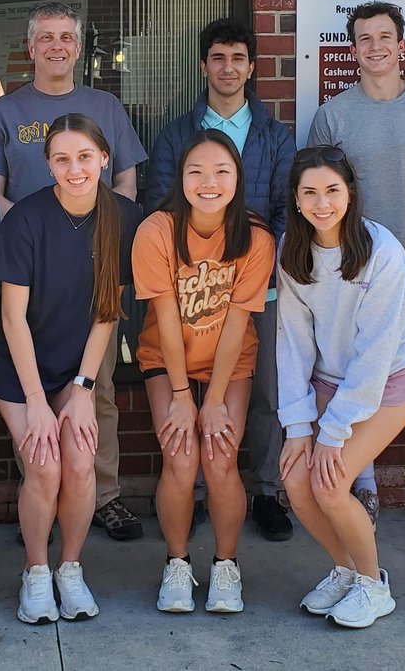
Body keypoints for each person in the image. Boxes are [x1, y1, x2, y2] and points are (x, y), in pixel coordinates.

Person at [0, 1, 148, 542]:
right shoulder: (3, 113)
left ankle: (105, 496)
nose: (56, 45)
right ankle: (43, 497)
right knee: (36, 396)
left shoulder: (106, 107)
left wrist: (96, 232)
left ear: (79, 46)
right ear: (30, 47)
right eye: (45, 37)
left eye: (66, 37)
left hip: (93, 266)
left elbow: (125, 185)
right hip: (27, 266)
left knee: (93, 391)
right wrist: (39, 231)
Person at [307, 1, 405, 536]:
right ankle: (364, 488)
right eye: (364, 38)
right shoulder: (333, 115)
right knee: (355, 374)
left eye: (384, 36)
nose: (375, 46)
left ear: (402, 46)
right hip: (353, 265)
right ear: (353, 50)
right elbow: (319, 193)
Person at [0, 114, 142, 624]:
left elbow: (107, 311)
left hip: (76, 361)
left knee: (79, 461)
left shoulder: (125, 217)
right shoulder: (25, 219)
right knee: (45, 463)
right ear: (48, 166)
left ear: (104, 159)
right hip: (17, 363)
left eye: (84, 157)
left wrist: (82, 389)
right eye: (62, 159)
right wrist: (35, 402)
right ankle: (35, 573)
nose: (75, 169)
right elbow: (11, 317)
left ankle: (69, 570)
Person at [143, 18, 296, 541]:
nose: (227, 68)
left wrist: (254, 266)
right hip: (188, 288)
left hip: (260, 284)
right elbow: (160, 199)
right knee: (188, 389)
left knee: (263, 394)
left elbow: (285, 211)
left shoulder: (275, 137)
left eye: (238, 59)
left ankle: (268, 492)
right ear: (205, 65)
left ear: (251, 67)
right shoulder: (177, 132)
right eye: (218, 58)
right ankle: (201, 492)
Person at [277, 145, 405, 628]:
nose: (322, 203)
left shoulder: (381, 252)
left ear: (350, 193)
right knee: (296, 480)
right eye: (310, 193)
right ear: (297, 200)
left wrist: (332, 432)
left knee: (329, 483)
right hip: (331, 379)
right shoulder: (292, 250)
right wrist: (299, 426)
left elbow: (376, 354)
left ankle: (373, 583)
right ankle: (343, 570)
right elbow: (293, 343)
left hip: (391, 377)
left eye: (332, 190)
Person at [132, 130, 274, 614]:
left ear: (237, 177)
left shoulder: (255, 237)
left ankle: (225, 565)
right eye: (196, 171)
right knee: (180, 457)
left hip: (229, 365)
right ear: (181, 178)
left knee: (218, 459)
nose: (208, 182)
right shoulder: (156, 231)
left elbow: (238, 321)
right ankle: (176, 563)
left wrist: (211, 399)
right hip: (165, 361)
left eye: (221, 171)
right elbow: (166, 318)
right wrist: (180, 394)